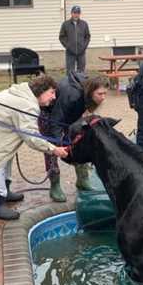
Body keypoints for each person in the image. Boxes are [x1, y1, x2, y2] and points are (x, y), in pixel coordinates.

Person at [0, 74, 68, 220]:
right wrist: (54, 149)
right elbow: (31, 137)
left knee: (7, 150)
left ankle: (6, 190)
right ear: (41, 91)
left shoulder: (24, 93)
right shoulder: (27, 105)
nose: (54, 97)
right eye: (52, 92)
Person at [40, 73, 109, 202]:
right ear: (91, 90)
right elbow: (56, 120)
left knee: (80, 141)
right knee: (51, 149)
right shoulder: (72, 95)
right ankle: (55, 185)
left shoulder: (87, 93)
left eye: (105, 93)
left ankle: (82, 180)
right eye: (100, 94)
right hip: (49, 115)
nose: (103, 97)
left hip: (69, 115)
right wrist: (58, 146)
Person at [59, 5, 91, 73]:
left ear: (79, 14)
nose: (76, 15)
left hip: (81, 52)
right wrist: (68, 46)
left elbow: (87, 36)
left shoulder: (84, 24)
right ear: (71, 13)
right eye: (74, 13)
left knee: (81, 72)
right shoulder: (65, 24)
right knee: (70, 72)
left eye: (78, 13)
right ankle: (71, 83)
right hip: (70, 52)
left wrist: (84, 46)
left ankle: (80, 83)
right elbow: (61, 37)